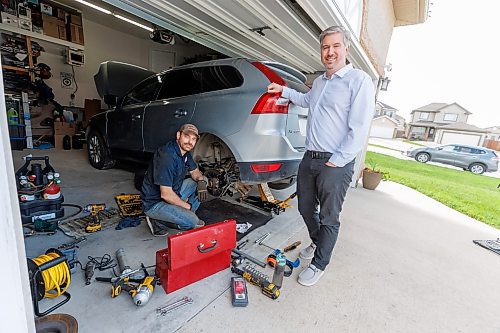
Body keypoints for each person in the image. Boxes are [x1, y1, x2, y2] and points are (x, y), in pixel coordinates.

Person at [267, 26, 375, 286]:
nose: (330, 52)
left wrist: (336, 161)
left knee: (329, 216)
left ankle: (320, 263)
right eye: (326, 47)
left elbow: (359, 128)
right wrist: (282, 91)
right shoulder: (320, 83)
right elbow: (305, 100)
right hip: (310, 157)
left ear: (346, 49)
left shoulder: (358, 81)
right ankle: (319, 243)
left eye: (336, 46)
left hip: (335, 161)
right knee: (305, 207)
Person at [141, 123, 208, 236]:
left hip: (174, 192)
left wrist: (201, 182)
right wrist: (188, 207)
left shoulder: (185, 153)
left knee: (202, 180)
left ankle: (183, 214)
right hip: (155, 203)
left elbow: (195, 171)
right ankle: (158, 221)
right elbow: (166, 195)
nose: (189, 142)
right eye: (186, 136)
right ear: (178, 135)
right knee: (194, 223)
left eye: (193, 139)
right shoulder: (166, 156)